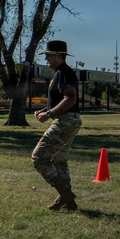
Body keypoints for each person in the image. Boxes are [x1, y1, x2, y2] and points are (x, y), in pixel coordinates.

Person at [32, 40, 82, 211]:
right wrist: (45, 109)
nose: (46, 59)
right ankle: (67, 202)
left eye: (48, 56)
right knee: (59, 160)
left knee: (39, 158)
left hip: (66, 120)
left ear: (58, 56)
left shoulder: (64, 72)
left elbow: (70, 98)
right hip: (69, 120)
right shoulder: (60, 73)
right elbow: (61, 99)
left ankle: (66, 195)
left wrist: (49, 114)